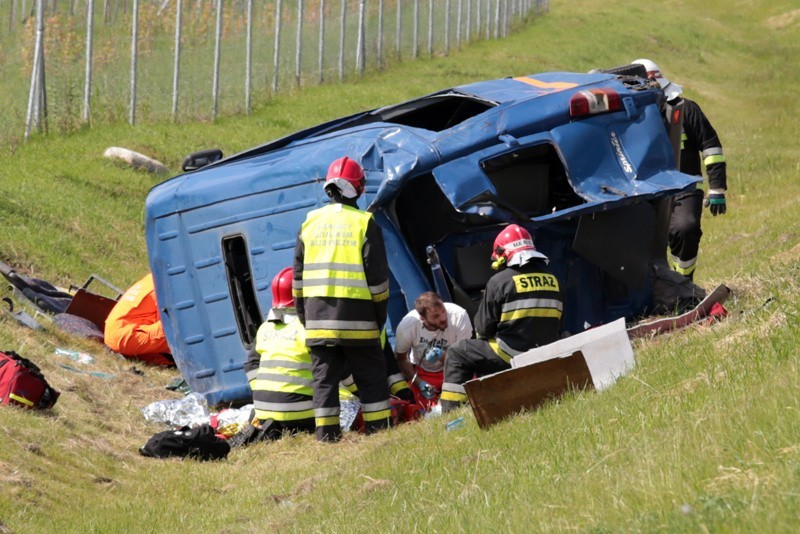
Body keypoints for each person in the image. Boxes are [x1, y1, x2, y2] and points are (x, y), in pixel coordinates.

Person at [293, 155, 392, 442]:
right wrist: (378, 319)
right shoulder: (365, 223)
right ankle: (379, 434)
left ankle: (326, 438)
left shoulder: (309, 223)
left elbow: (297, 281)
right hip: (360, 320)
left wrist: (306, 319)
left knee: (324, 381)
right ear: (359, 189)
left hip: (317, 320)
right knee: (372, 378)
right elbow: (378, 282)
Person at [440, 225, 563, 413]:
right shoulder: (553, 279)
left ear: (504, 254)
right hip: (545, 354)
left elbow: (482, 328)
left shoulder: (500, 281)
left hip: (511, 354)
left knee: (458, 352)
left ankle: (452, 413)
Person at [633, 59, 729, 280]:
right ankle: (654, 288)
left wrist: (717, 188)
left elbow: (711, 147)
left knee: (686, 229)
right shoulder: (632, 117)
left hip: (685, 188)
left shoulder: (687, 109)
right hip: (646, 192)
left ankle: (684, 282)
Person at [241, 267, 315, 442]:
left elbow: (251, 364)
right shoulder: (309, 328)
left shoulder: (265, 328)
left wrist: (265, 392)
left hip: (263, 410)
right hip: (301, 412)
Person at [393, 291, 473, 406]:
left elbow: (465, 360)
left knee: (472, 395)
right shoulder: (408, 326)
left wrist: (441, 356)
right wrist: (420, 383)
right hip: (424, 372)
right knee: (423, 407)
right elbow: (401, 358)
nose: (443, 318)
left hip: (456, 367)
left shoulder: (459, 316)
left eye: (443, 311)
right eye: (436, 316)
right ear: (422, 318)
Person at [104, 273, 174, 366]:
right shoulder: (166, 285)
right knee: (180, 329)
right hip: (127, 336)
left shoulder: (153, 278)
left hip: (114, 333)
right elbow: (169, 321)